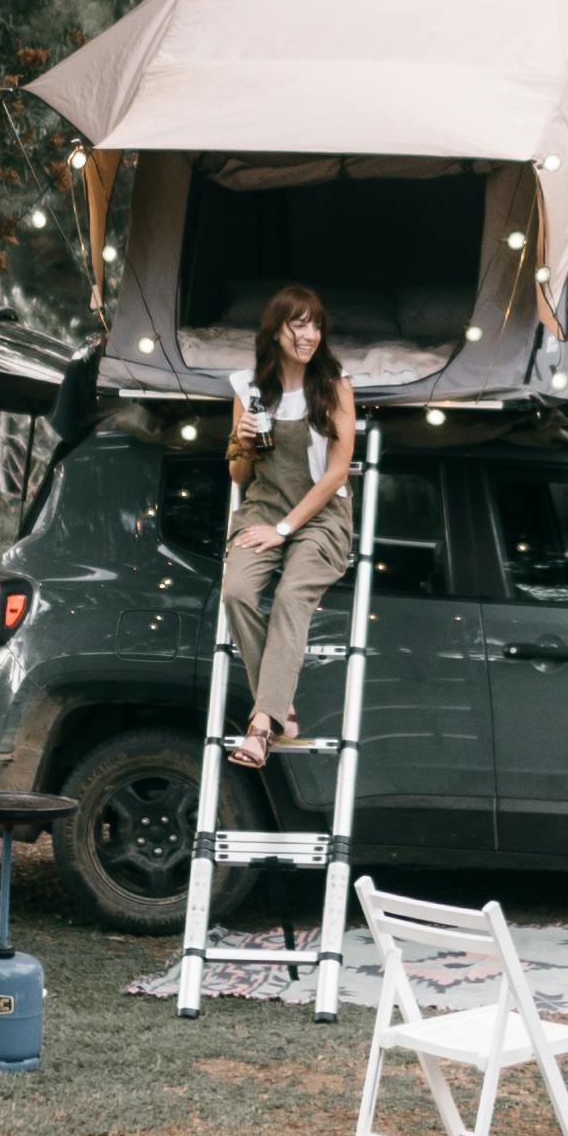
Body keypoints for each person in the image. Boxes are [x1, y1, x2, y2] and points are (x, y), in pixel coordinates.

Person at [221, 283, 358, 773]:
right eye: (298, 324)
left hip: (320, 516)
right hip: (262, 507)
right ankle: (280, 705)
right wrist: (240, 444)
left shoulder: (336, 384)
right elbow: (240, 477)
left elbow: (337, 473)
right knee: (236, 591)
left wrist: (284, 529)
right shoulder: (249, 390)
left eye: (315, 324)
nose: (309, 334)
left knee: (290, 596)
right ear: (275, 331)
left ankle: (261, 727)